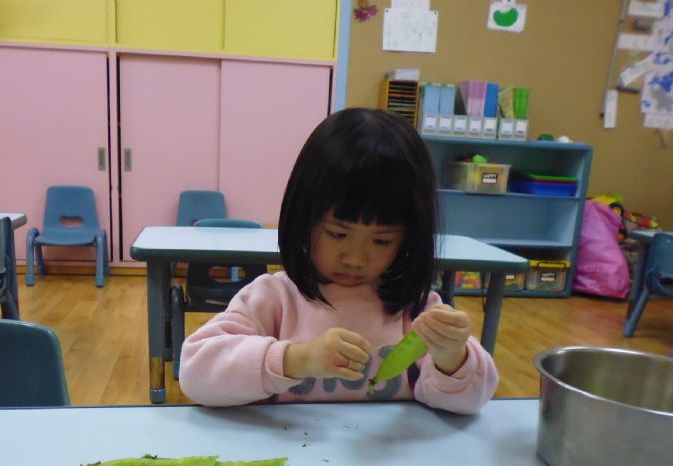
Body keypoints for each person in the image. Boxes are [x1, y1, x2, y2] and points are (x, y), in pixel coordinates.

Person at [179, 108, 498, 414]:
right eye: (337, 234)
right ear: (303, 218)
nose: (355, 258)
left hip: (384, 452)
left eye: (382, 241)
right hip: (290, 449)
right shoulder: (274, 299)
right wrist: (297, 359)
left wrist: (451, 357)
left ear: (408, 237)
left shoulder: (415, 309)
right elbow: (196, 374)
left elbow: (469, 403)